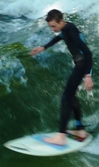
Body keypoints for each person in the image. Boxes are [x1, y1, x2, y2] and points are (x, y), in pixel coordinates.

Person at [30, 9, 94, 146]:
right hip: (80, 64)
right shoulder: (66, 27)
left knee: (66, 97)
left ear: (61, 21)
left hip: (82, 65)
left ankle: (61, 136)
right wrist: (44, 47)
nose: (53, 29)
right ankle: (80, 130)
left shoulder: (70, 29)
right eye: (50, 27)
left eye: (54, 26)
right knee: (71, 97)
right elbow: (60, 36)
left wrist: (88, 75)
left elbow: (88, 52)